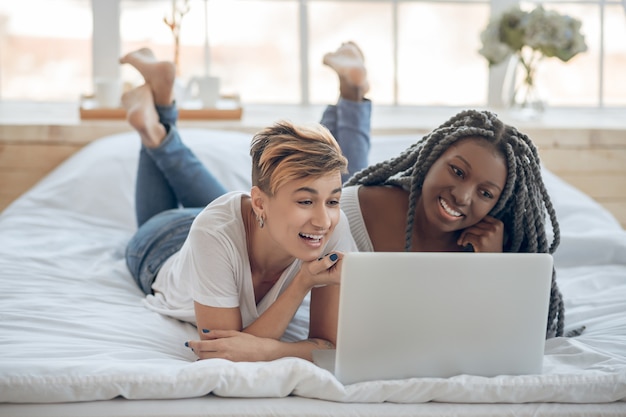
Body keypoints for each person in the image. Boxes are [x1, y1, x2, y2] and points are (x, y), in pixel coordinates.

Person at [121, 48, 358, 363]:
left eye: (333, 200)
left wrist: (274, 350)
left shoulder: (331, 223)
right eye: (305, 200)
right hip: (162, 244)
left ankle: (159, 116)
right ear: (259, 202)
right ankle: (153, 127)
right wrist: (302, 283)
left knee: (227, 214)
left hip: (241, 223)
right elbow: (226, 353)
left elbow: (331, 347)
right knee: (216, 220)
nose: (323, 220)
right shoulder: (214, 232)